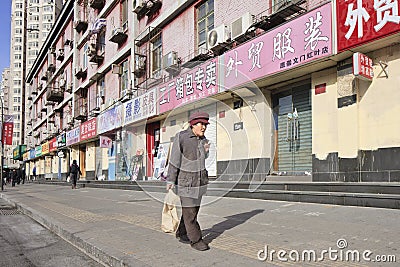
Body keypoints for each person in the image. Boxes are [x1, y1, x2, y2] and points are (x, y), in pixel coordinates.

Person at [166, 111, 211, 251]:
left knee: (193, 211)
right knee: (190, 212)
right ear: (193, 124)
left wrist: (206, 151)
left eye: (205, 124)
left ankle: (182, 232)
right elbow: (174, 159)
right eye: (201, 124)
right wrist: (171, 180)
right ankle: (196, 240)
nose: (203, 127)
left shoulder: (203, 139)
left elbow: (202, 158)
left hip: (200, 182)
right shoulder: (182, 137)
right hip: (185, 183)